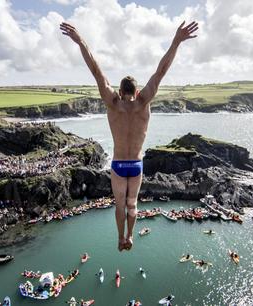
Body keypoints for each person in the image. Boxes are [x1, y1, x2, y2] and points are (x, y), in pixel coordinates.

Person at [60, 20, 198, 251]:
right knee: (132, 204)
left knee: (119, 206)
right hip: (136, 164)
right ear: (136, 91)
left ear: (120, 91)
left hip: (117, 164)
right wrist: (176, 42)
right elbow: (161, 71)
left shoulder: (113, 104)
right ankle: (130, 237)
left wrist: (80, 40)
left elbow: (96, 71)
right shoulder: (144, 103)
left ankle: (119, 238)